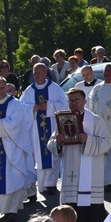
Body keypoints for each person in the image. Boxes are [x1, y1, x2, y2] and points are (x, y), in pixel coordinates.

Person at [49, 87, 111, 222]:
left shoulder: (95, 120)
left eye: (77, 100)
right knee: (71, 209)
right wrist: (58, 141)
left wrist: (89, 139)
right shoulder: (62, 120)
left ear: (85, 101)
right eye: (70, 100)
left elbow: (106, 143)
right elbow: (51, 144)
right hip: (70, 172)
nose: (73, 103)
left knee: (92, 210)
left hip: (90, 174)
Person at [0, 76, 38, 222]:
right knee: (0, 180)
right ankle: (4, 211)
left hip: (12, 148)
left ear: (6, 87)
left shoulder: (16, 105)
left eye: (2, 87)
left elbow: (16, 124)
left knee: (13, 178)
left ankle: (12, 210)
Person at [21, 62, 70, 197]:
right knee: (38, 155)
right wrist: (32, 108)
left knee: (52, 153)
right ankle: (41, 185)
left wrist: (49, 106)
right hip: (36, 130)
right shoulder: (28, 91)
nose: (37, 75)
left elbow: (64, 104)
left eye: (40, 72)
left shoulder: (55, 88)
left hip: (52, 126)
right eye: (35, 73)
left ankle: (51, 184)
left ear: (45, 73)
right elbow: (21, 107)